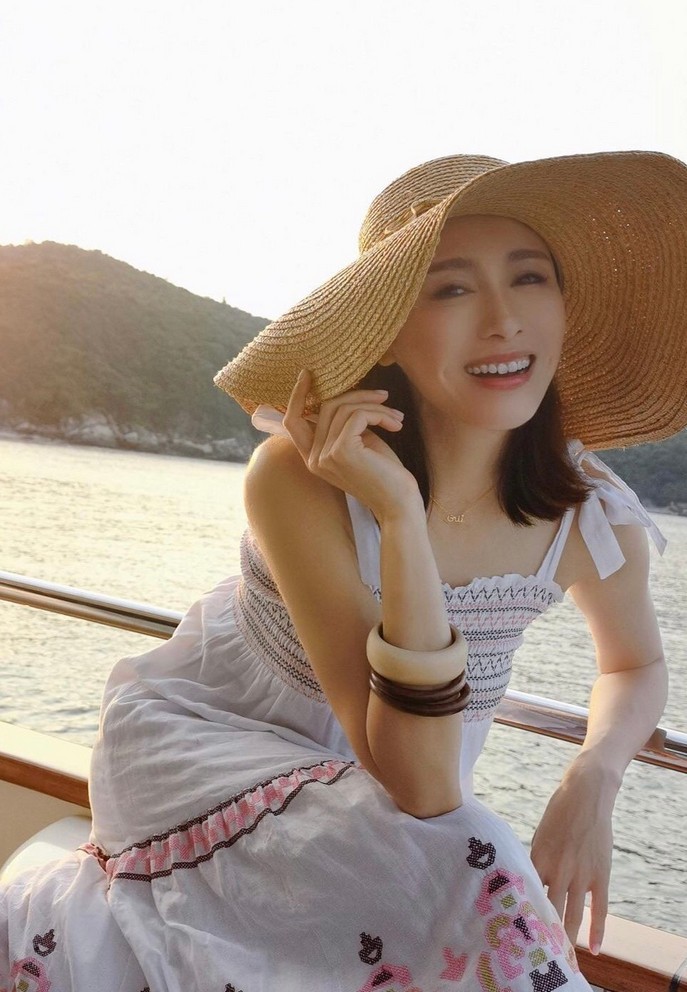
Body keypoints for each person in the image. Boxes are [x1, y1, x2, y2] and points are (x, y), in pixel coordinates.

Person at [2, 151, 687, 992]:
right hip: (214, 750)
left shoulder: (587, 516)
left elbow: (633, 664)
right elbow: (416, 778)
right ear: (387, 331)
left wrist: (593, 774)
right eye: (450, 288)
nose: (503, 320)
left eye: (529, 278)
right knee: (467, 851)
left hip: (393, 793)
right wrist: (397, 515)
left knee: (439, 855)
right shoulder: (300, 480)